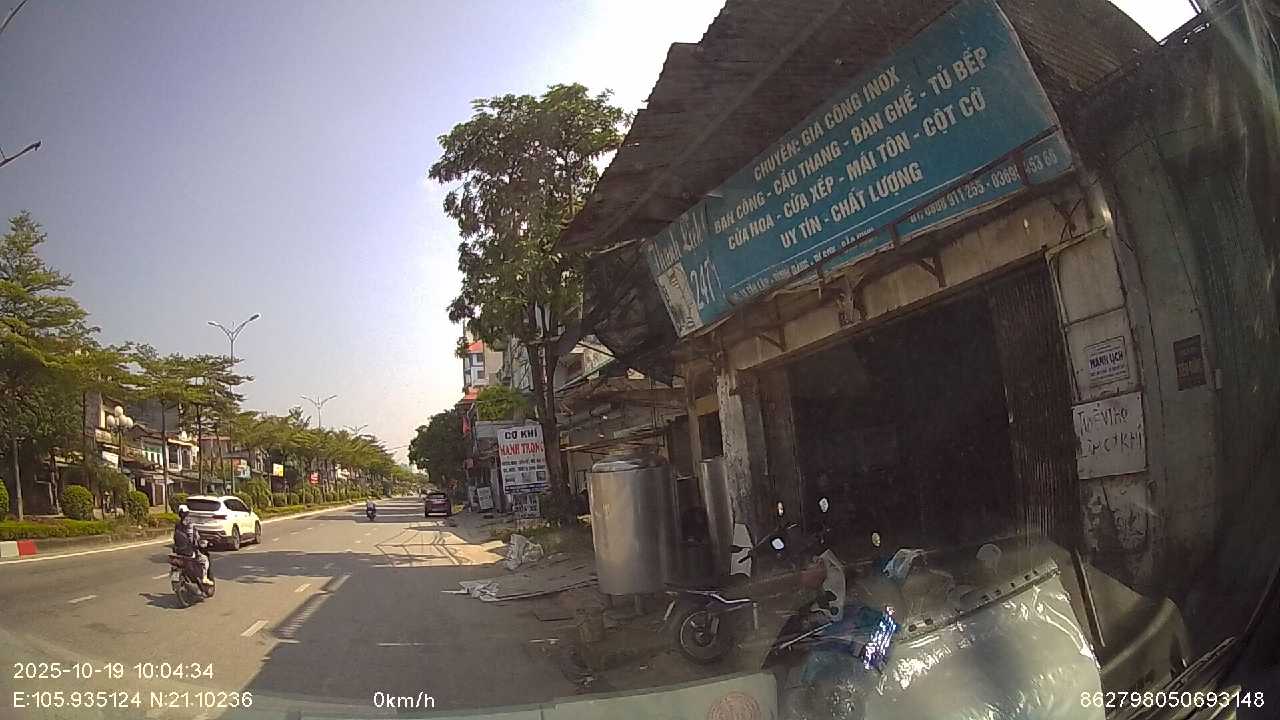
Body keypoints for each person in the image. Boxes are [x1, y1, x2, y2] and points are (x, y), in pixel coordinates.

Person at [173, 504, 211, 586]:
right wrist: (196, 545)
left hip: (178, 551)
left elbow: (175, 538)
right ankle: (204, 578)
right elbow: (191, 538)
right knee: (204, 560)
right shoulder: (189, 523)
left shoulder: (177, 524)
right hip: (189, 551)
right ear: (187, 513)